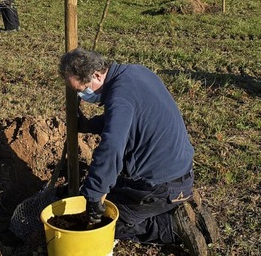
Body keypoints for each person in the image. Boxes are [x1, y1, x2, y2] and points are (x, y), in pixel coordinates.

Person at [58, 48, 202, 251]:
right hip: (180, 170)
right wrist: (90, 126)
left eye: (82, 88)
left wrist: (93, 194)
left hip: (160, 184)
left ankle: (171, 226)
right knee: (115, 192)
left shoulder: (119, 98)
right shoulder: (135, 73)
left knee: (108, 222)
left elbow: (111, 147)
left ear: (97, 74)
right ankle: (178, 200)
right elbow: (132, 119)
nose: (81, 96)